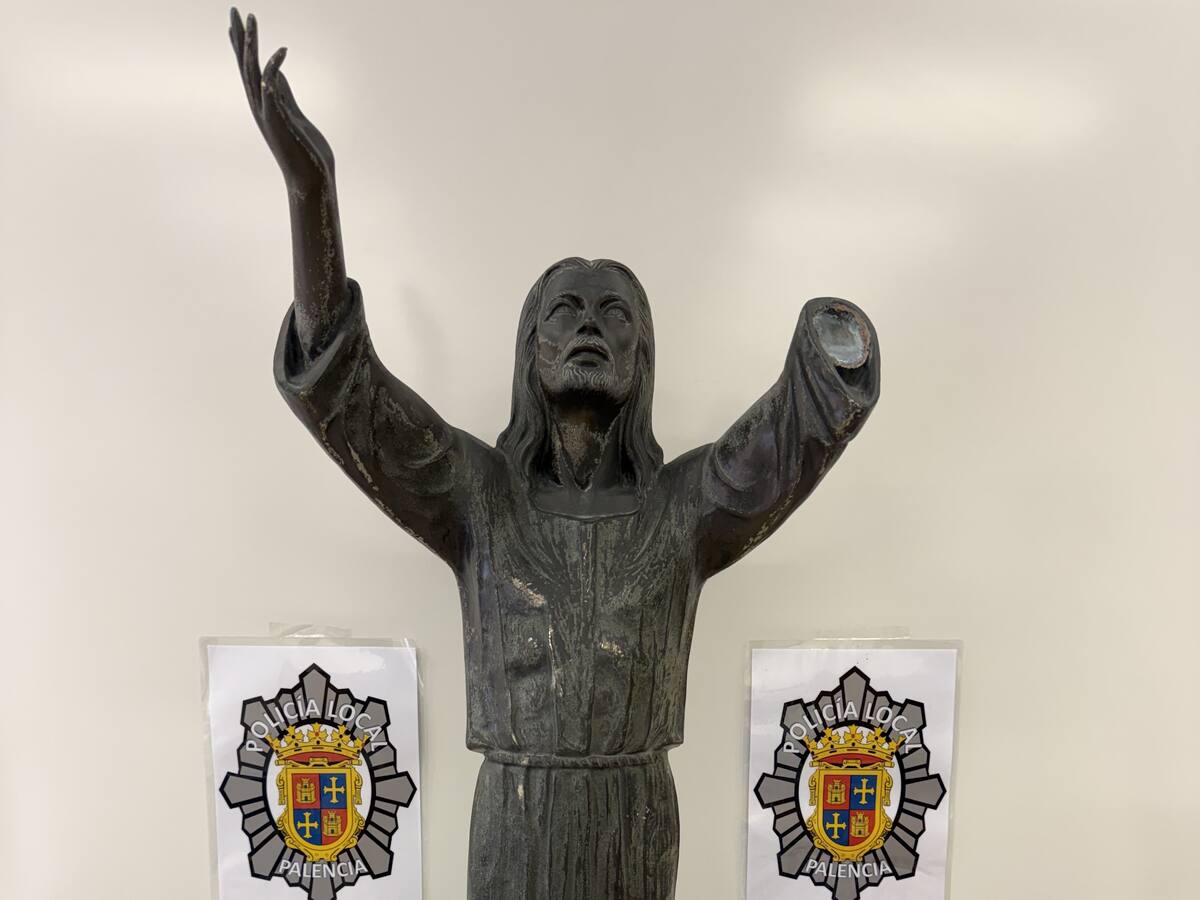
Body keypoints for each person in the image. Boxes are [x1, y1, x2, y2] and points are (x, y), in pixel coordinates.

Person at [229, 10, 880, 899]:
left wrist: (831, 351)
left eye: (615, 314)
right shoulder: (475, 495)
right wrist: (312, 194)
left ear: (642, 356)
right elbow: (352, 397)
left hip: (635, 820)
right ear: (529, 351)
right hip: (515, 819)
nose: (588, 326)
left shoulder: (683, 508)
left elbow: (787, 437)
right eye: (564, 311)